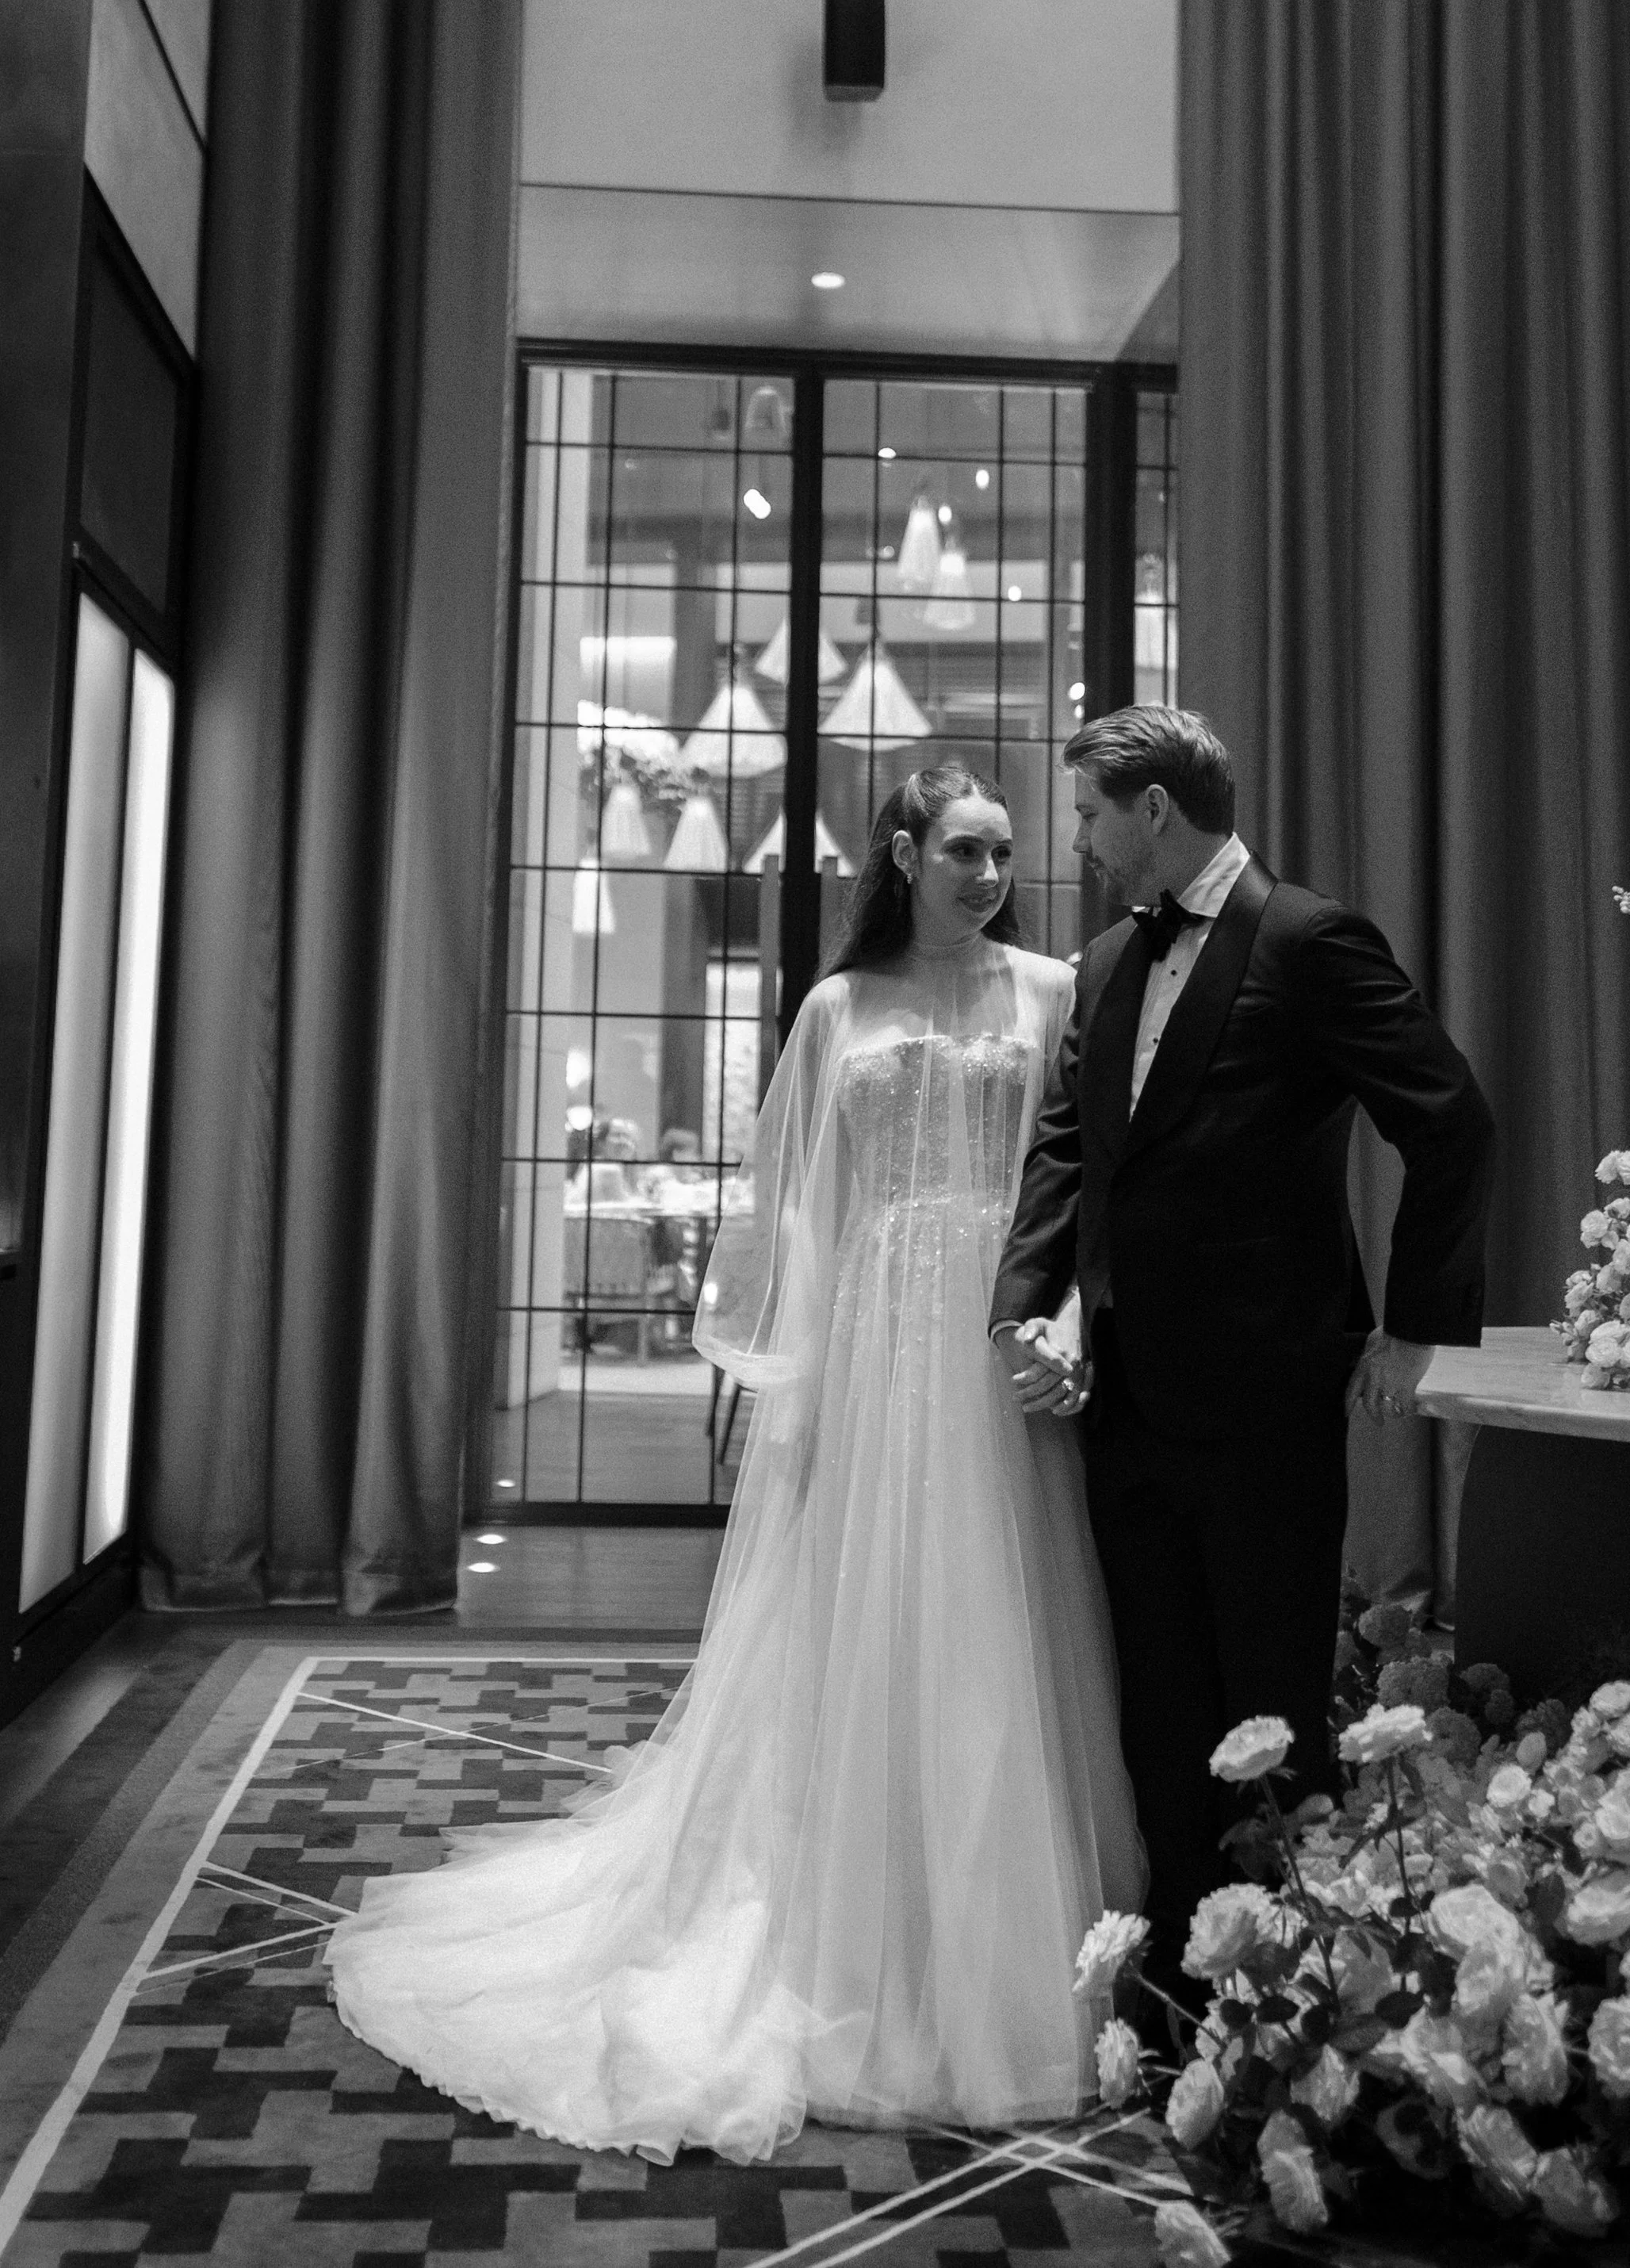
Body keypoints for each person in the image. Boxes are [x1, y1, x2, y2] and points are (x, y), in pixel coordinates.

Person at [327, 763, 1141, 2160]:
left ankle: (1004, 1935)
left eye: (1005, 850)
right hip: (886, 1352)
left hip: (1001, 1346)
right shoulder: (839, 1009)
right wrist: (799, 1397)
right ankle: (850, 1924)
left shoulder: (1056, 991)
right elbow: (801, 1215)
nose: (990, 872)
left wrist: (1063, 1321)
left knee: (1009, 1621)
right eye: (962, 848)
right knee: (872, 1624)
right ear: (903, 852)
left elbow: (1087, 1193)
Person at [990, 705, 1494, 2022]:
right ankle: (1172, 1998)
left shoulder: (1307, 938)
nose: (1083, 841)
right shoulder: (1102, 960)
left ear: (1155, 808)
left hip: (1267, 1401)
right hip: (1126, 1402)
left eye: (1092, 813)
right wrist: (1021, 1306)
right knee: (1157, 1709)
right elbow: (1067, 1152)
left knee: (1271, 1709)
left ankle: (1292, 1998)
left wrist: (1416, 1322)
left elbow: (1449, 1118)